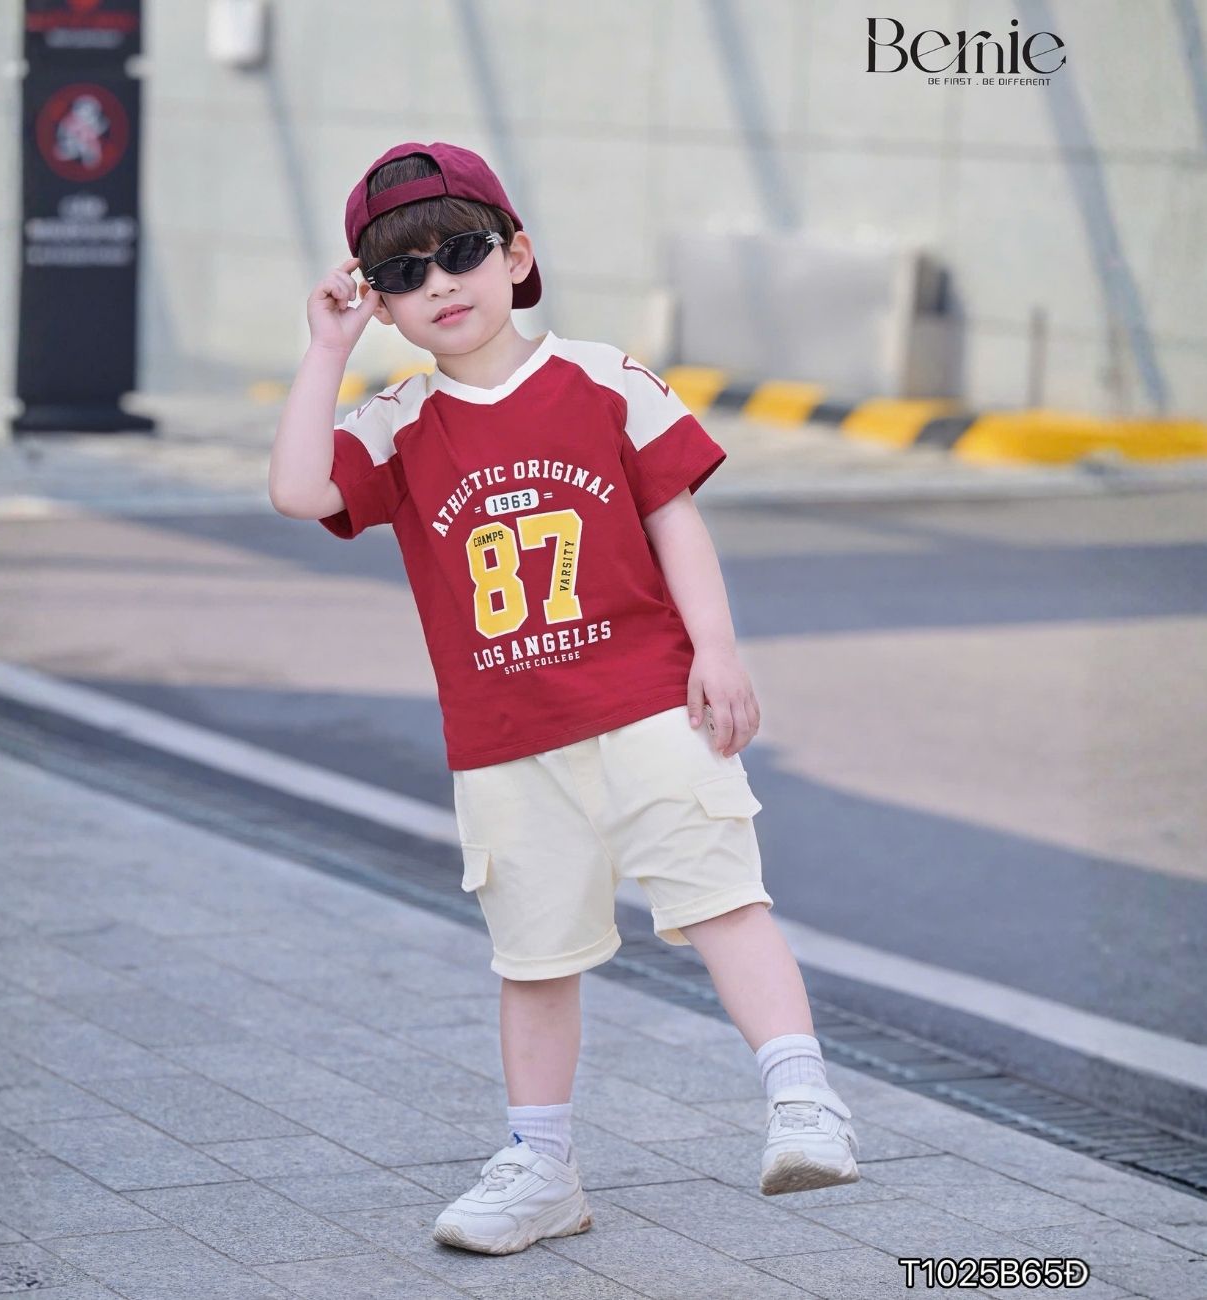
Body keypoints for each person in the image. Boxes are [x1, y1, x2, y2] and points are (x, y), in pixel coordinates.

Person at [268, 140, 860, 1256]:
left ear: (515, 254)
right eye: (402, 272)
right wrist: (327, 349)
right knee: (534, 960)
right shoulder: (398, 420)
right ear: (379, 300)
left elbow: (673, 515)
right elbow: (300, 490)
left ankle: (801, 1096)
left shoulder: (603, 378)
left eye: (460, 251)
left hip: (648, 701)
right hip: (503, 738)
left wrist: (716, 649)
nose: (439, 283)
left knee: (721, 898)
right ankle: (541, 1166)